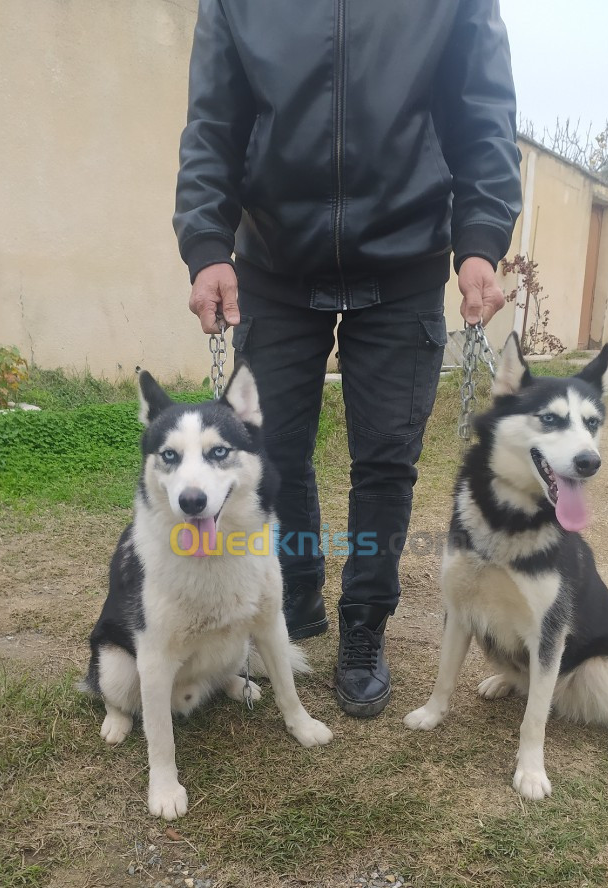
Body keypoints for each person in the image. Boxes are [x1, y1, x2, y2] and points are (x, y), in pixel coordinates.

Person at [173, 0, 522, 718]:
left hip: (405, 257)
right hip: (273, 257)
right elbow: (213, 122)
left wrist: (481, 237)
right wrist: (208, 243)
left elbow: (481, 115)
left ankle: (365, 624)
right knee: (271, 449)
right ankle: (295, 597)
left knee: (387, 459)